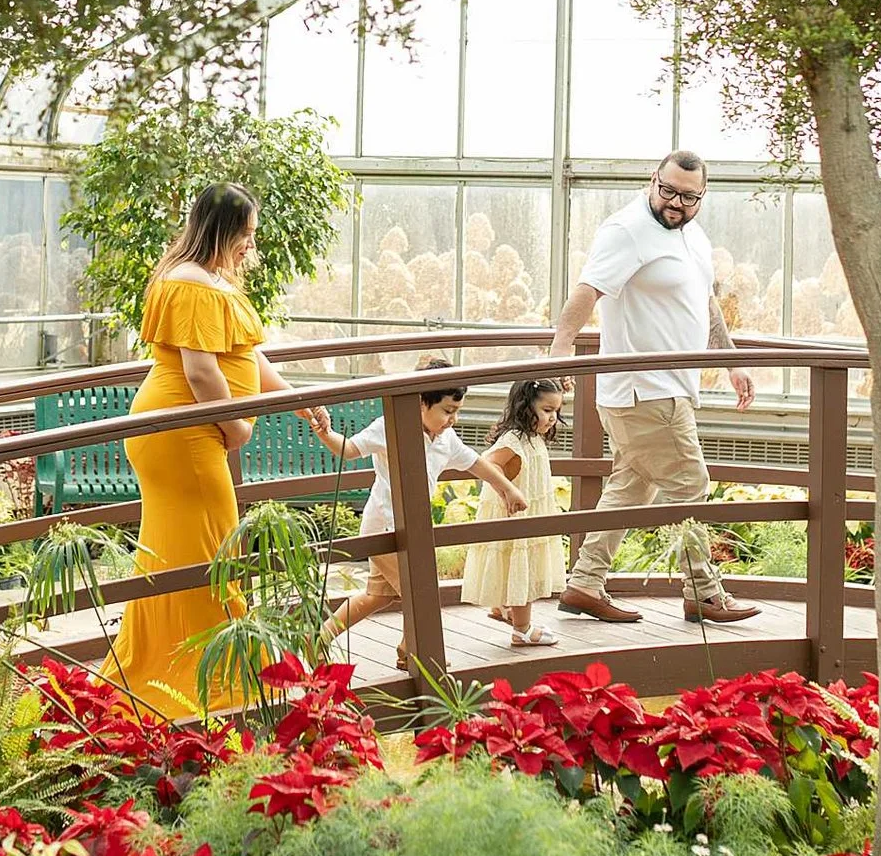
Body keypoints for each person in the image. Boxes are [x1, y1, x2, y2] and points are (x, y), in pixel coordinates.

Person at [101, 183, 308, 719]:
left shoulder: (206, 280)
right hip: (183, 435)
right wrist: (236, 424)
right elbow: (199, 368)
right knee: (216, 550)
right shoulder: (192, 283)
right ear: (224, 230)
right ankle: (204, 676)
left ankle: (158, 668)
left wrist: (298, 401)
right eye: (247, 235)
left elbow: (248, 356)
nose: (250, 246)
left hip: (184, 432)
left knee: (180, 552)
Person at [550, 152, 761, 626]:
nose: (675, 203)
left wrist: (731, 362)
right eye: (667, 190)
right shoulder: (626, 231)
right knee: (691, 483)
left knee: (631, 486)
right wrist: (562, 343)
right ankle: (702, 592)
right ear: (653, 180)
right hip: (644, 389)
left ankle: (584, 584)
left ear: (701, 197)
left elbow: (704, 302)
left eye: (688, 196)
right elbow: (589, 288)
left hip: (670, 388)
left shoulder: (693, 236)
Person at [305, 360, 526, 662]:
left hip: (411, 528)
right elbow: (349, 449)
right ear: (422, 402)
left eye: (457, 411)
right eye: (448, 411)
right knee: (421, 590)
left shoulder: (445, 438)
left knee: (377, 597)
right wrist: (325, 434)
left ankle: (318, 637)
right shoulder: (390, 427)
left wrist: (507, 489)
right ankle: (418, 653)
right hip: (387, 527)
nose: (454, 419)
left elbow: (475, 462)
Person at [464, 378, 570, 649]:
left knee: (519, 567)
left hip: (529, 513)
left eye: (557, 411)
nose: (553, 418)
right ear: (526, 406)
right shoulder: (514, 440)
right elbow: (488, 464)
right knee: (522, 569)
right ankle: (522, 630)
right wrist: (508, 490)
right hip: (516, 517)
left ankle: (503, 608)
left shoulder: (533, 438)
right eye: (547, 410)